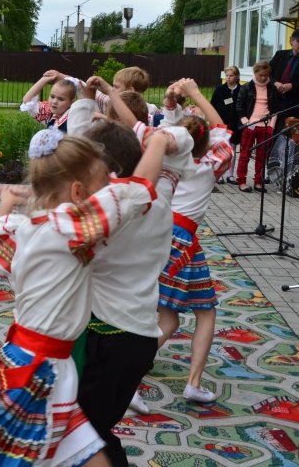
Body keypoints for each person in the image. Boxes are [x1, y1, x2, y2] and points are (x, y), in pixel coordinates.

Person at [0, 128, 171, 467]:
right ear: (78, 192)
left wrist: (6, 205)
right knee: (49, 456)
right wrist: (158, 142)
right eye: (104, 184)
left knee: (67, 454)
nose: (109, 189)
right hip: (43, 368)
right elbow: (139, 189)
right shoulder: (68, 229)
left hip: (25, 358)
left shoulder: (27, 228)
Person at [75, 119, 195, 467]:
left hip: (107, 337)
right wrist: (160, 139)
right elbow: (186, 138)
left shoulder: (107, 212)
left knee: (87, 435)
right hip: (139, 336)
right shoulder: (160, 197)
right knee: (92, 429)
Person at [157, 78, 234, 404]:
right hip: (182, 241)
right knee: (204, 312)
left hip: (156, 233)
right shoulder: (209, 163)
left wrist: (172, 100)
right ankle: (191, 382)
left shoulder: (165, 155)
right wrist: (196, 94)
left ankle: (132, 363)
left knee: (167, 315)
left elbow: (169, 126)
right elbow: (223, 130)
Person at [234, 61, 278, 192]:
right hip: (250, 125)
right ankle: (241, 181)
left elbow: (276, 109)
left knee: (262, 156)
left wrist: (271, 126)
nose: (263, 78)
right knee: (245, 154)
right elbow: (239, 106)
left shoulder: (272, 88)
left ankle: (258, 181)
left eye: (266, 75)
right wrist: (246, 122)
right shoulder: (246, 87)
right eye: (261, 75)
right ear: (255, 73)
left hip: (266, 126)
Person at [270, 28, 299, 121]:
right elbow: (268, 74)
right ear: (291, 41)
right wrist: (275, 82)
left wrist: (292, 86)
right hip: (275, 102)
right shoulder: (280, 55)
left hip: (297, 106)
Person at [211, 65, 242, 183]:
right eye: (227, 75)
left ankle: (230, 174)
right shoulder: (220, 90)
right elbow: (213, 106)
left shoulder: (241, 90)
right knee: (222, 149)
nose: (228, 78)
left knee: (232, 149)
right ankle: (219, 174)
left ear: (237, 76)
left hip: (235, 124)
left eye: (231, 75)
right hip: (222, 124)